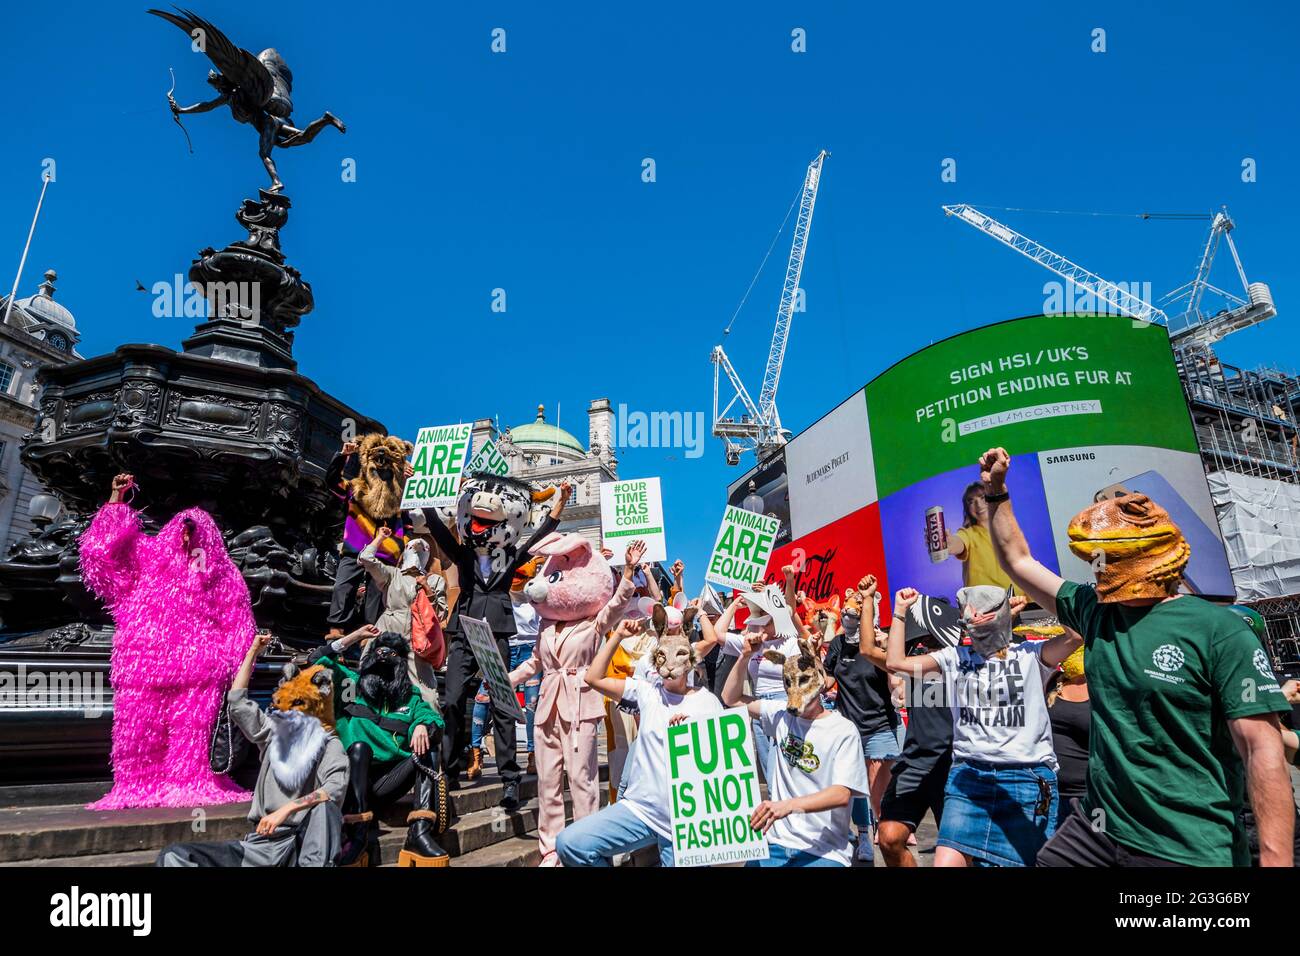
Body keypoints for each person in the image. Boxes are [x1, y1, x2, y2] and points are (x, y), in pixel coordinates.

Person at [976, 446, 1295, 867]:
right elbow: (1018, 561)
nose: (1098, 567)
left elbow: (1262, 749)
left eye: (1108, 556)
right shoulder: (1095, 612)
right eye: (1095, 558)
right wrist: (997, 492)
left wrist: (1275, 859)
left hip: (1188, 847)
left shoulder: (1219, 630)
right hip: (1100, 828)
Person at [80, 473, 253, 810]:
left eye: (196, 532)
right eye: (184, 529)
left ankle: (185, 782)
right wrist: (117, 500)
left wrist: (234, 668)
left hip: (199, 672)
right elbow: (102, 555)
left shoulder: (221, 573)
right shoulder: (147, 556)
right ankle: (136, 785)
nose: (188, 537)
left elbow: (237, 622)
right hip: (142, 667)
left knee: (190, 736)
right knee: (136, 732)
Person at [887, 585, 1075, 867]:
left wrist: (1040, 591)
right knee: (945, 863)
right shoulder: (954, 658)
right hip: (969, 776)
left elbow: (1076, 635)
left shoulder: (1030, 655)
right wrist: (900, 612)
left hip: (1025, 777)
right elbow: (896, 662)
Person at [423, 476, 570, 809]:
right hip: (465, 632)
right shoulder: (464, 556)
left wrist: (559, 502)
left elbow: (542, 534)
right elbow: (438, 530)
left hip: (497, 636)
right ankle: (449, 768)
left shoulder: (511, 555)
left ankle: (509, 778)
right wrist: (425, 493)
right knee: (454, 699)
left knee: (502, 704)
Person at [157, 632, 348, 866]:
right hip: (261, 845)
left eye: (296, 705)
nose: (287, 712)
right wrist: (252, 652)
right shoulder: (272, 733)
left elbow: (333, 789)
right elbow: (237, 702)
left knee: (325, 809)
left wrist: (285, 810)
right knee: (175, 856)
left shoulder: (329, 744)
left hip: (302, 843)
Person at [508, 536, 640, 866]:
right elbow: (534, 662)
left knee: (582, 780)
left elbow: (617, 605)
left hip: (581, 703)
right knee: (548, 782)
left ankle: (584, 846)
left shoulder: (594, 623)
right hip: (547, 706)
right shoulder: (545, 626)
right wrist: (506, 680)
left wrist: (627, 571)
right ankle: (550, 849)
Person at [557, 607, 723, 866]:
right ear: (654, 661)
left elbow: (720, 758)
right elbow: (593, 677)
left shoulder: (708, 702)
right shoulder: (646, 692)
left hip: (686, 821)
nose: (669, 664)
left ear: (691, 660)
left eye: (679, 654)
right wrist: (618, 636)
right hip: (642, 811)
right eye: (662, 656)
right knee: (570, 843)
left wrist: (690, 735)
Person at [722, 630, 870, 867]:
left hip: (824, 850)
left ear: (819, 681)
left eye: (802, 681)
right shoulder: (780, 716)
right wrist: (745, 656)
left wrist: (788, 806)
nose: (795, 691)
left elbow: (842, 794)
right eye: (789, 683)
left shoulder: (843, 730)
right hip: (776, 844)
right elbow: (731, 698)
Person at [312, 626, 448, 867]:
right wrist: (353, 638)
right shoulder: (350, 686)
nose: (384, 659)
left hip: (387, 782)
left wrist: (423, 726)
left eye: (392, 655)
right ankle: (357, 833)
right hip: (351, 784)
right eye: (380, 653)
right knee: (359, 748)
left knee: (430, 745)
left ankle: (419, 831)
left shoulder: (411, 697)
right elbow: (316, 661)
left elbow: (434, 720)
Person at [823, 575, 899, 862]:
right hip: (849, 726)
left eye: (854, 608)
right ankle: (865, 834)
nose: (847, 613)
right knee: (856, 787)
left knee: (877, 789)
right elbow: (829, 678)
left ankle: (888, 830)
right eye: (844, 608)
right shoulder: (838, 645)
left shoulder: (879, 643)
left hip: (879, 725)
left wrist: (889, 647)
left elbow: (896, 684)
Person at [715, 568, 805, 781]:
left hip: (786, 707)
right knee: (770, 772)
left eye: (767, 618)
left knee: (789, 771)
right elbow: (718, 634)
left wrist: (784, 585)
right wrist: (735, 606)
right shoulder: (752, 644)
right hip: (759, 707)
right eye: (759, 618)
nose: (761, 623)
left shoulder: (792, 643)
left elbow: (790, 611)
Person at [878, 625, 954, 867]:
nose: (927, 643)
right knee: (888, 837)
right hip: (914, 763)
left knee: (957, 854)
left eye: (933, 638)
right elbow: (871, 651)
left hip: (952, 767)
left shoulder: (962, 667)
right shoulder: (915, 671)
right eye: (924, 639)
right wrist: (898, 612)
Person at [324, 435, 414, 637]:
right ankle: (336, 633)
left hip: (385, 553)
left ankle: (369, 637)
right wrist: (343, 456)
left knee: (376, 596)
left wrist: (402, 542)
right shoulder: (356, 487)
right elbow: (332, 481)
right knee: (343, 587)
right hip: (355, 548)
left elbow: (407, 521)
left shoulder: (400, 494)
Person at [469, 558, 542, 779]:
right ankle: (475, 752)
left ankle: (532, 754)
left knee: (532, 703)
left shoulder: (536, 594)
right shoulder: (500, 592)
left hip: (530, 650)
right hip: (504, 648)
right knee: (483, 697)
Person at [360, 526, 446, 710]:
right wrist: (380, 538)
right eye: (412, 548)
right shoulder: (393, 574)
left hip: (416, 639)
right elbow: (366, 558)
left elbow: (440, 613)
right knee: (372, 683)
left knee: (427, 694)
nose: (417, 551)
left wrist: (426, 589)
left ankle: (430, 729)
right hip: (387, 632)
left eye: (422, 549)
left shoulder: (435, 580)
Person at [944, 479, 1015, 591]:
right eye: (971, 501)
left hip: (1020, 603)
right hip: (983, 606)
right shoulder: (969, 534)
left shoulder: (1010, 533)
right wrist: (948, 544)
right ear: (967, 509)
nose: (978, 504)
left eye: (982, 497)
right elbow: (958, 542)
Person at [1046, 642, 1090, 813]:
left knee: (1095, 837)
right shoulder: (1051, 680)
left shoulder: (1104, 686)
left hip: (1089, 796)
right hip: (1048, 792)